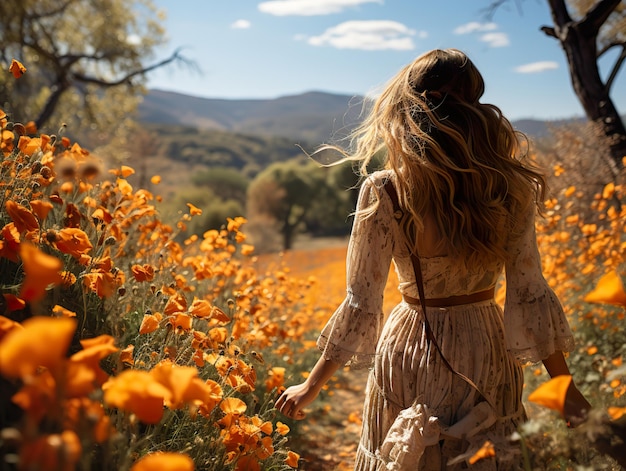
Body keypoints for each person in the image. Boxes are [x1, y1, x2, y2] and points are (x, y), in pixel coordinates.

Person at [274, 48, 591, 470]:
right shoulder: (510, 189)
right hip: (485, 343)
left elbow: (362, 301)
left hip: (411, 346)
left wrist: (310, 387)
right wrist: (566, 390)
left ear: (408, 106)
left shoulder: (385, 190)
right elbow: (529, 292)